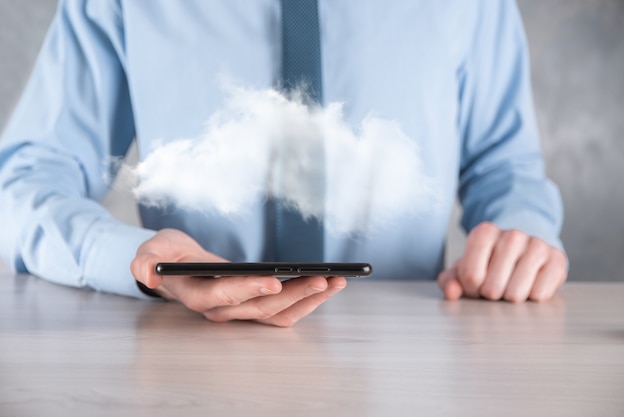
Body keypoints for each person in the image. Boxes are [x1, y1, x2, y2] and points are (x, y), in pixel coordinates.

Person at [0, 0, 567, 327]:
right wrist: (141, 266)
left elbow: (504, 168)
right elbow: (26, 184)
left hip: (411, 358)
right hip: (188, 355)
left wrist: (519, 240)